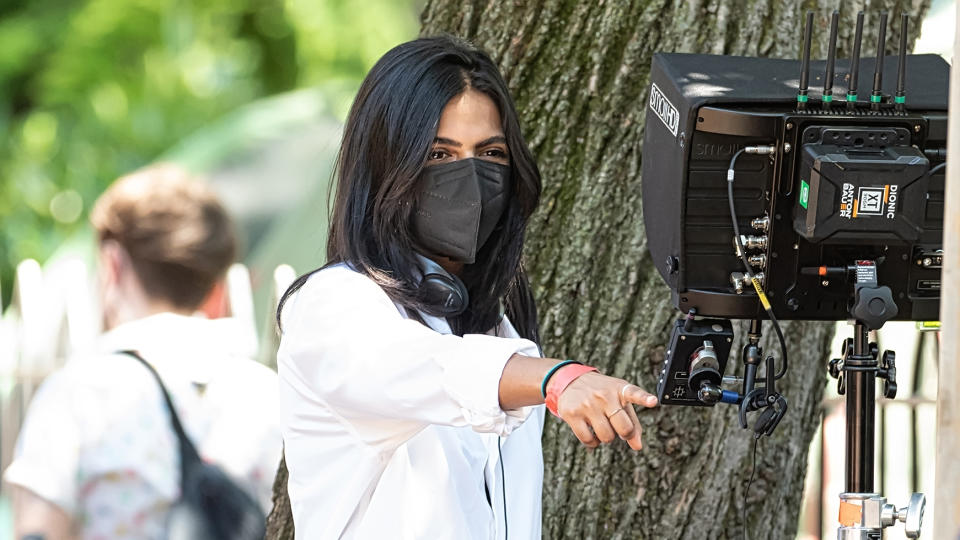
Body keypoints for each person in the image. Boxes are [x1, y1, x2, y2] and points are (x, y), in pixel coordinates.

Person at [276, 36, 659, 539]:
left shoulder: (497, 326)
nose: (470, 177)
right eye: (439, 153)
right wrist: (554, 378)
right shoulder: (334, 304)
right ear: (387, 166)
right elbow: (417, 368)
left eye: (491, 153)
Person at [4, 165, 282, 539]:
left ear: (113, 264)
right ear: (215, 282)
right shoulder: (267, 395)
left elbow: (38, 531)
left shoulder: (78, 395)